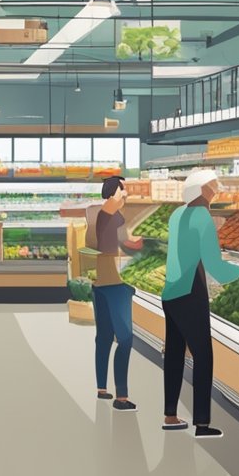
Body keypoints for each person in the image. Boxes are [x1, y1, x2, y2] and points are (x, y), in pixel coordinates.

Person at [160, 169, 239, 439]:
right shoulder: (202, 217)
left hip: (171, 289)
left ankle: (170, 415)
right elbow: (214, 265)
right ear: (201, 190)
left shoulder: (177, 215)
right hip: (190, 291)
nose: (216, 190)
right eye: (212, 187)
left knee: (174, 352)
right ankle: (202, 423)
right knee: (203, 355)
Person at [85, 176, 144, 410]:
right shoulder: (114, 215)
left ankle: (102, 388)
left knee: (104, 336)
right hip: (117, 282)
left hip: (99, 281)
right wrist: (142, 244)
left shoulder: (98, 215)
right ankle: (122, 397)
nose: (126, 195)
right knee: (126, 338)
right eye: (123, 191)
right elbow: (122, 246)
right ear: (112, 194)